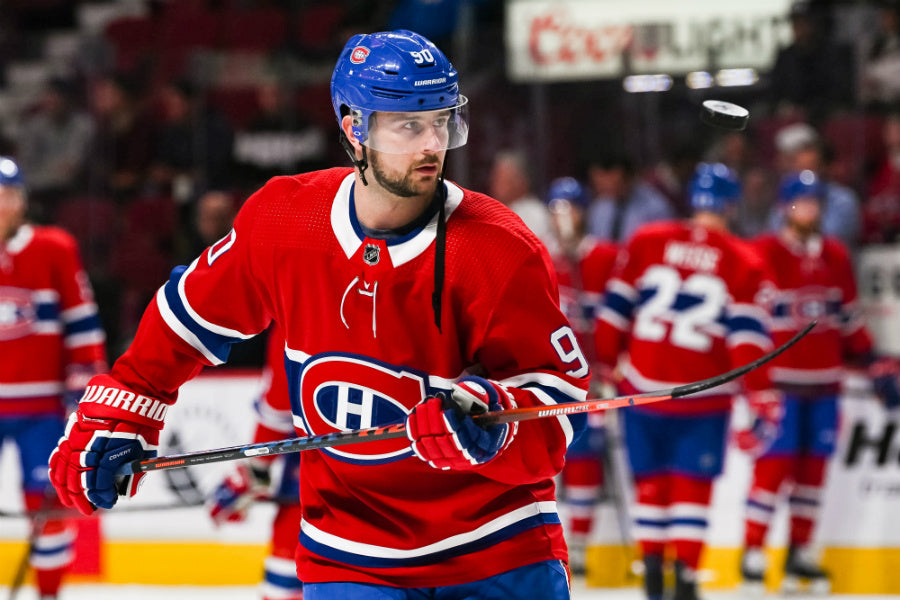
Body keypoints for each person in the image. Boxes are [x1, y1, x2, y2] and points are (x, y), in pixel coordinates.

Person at [48, 30, 590, 600]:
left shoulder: (499, 248)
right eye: (408, 125)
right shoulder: (284, 220)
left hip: (496, 552)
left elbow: (561, 402)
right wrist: (122, 410)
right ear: (354, 128)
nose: (432, 144)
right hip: (351, 557)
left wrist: (493, 421)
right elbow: (185, 320)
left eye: (441, 121)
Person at [594, 163, 780, 600]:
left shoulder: (648, 240)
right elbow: (747, 341)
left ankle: (654, 573)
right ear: (731, 205)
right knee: (691, 488)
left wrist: (603, 367)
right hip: (703, 395)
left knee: (651, 483)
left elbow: (613, 313)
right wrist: (762, 394)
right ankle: (687, 579)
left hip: (640, 387)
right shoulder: (744, 258)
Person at [739, 170, 900, 594]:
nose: (810, 209)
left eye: (815, 202)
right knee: (773, 470)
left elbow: (848, 319)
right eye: (802, 201)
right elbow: (744, 320)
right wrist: (753, 380)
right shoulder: (762, 252)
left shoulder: (835, 255)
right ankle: (753, 553)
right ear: (784, 206)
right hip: (781, 386)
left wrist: (872, 361)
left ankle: (799, 555)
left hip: (826, 384)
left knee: (813, 473)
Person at [0, 156, 107, 600]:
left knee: (45, 514)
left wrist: (88, 403)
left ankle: (48, 596)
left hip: (41, 410)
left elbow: (82, 326)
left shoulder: (54, 248)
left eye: (6, 196)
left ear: (22, 200)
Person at [544, 176, 619, 576]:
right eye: (556, 209)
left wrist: (609, 360)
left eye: (569, 208)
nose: (564, 218)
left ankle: (584, 545)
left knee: (587, 457)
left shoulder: (603, 257)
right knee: (551, 458)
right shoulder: (544, 259)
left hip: (593, 380)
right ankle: (553, 542)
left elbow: (618, 313)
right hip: (554, 379)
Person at [208, 325, 303, 600]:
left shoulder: (298, 292)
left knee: (291, 551)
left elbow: (280, 406)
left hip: (320, 481)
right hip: (414, 460)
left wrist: (252, 470)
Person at [585, 152, 675, 244]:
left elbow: (663, 246)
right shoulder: (599, 207)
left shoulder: (655, 207)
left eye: (603, 176)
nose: (599, 183)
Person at [488, 149, 557, 253]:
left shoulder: (535, 213)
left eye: (501, 178)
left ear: (520, 181)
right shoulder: (491, 210)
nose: (494, 182)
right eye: (495, 177)